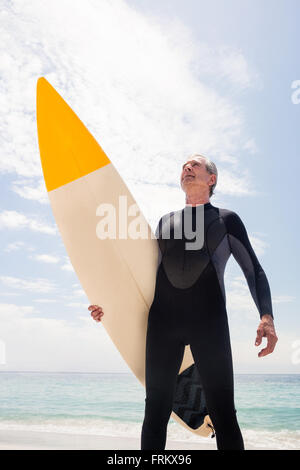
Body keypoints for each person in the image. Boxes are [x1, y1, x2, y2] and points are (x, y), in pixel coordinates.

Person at [88, 154, 278, 450]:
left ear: (211, 179)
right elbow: (138, 276)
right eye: (184, 166)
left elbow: (253, 269)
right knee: (155, 412)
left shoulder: (226, 220)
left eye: (196, 165)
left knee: (223, 413)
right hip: (164, 324)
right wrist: (109, 306)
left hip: (209, 323)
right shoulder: (165, 221)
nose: (187, 167)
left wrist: (267, 317)